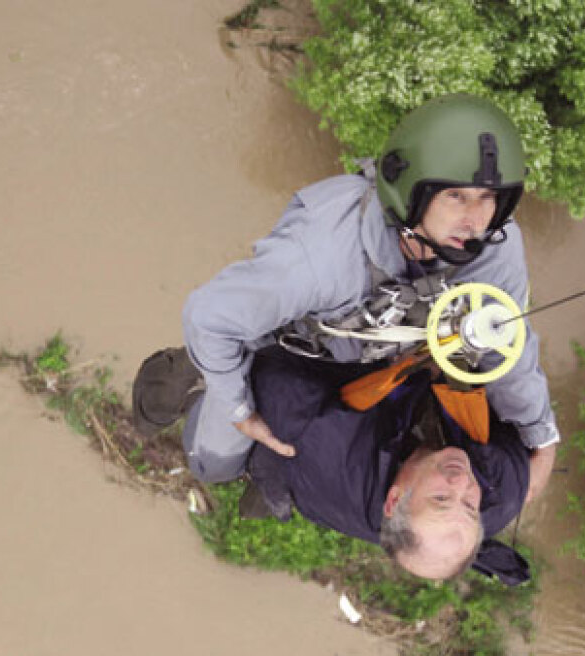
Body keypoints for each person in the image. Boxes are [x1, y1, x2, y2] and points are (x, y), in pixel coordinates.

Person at [135, 94, 559, 582]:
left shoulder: (492, 251)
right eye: (456, 197)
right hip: (288, 356)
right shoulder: (324, 250)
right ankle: (200, 381)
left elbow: (509, 343)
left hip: (378, 361)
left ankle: (264, 459)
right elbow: (209, 315)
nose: (476, 219)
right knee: (215, 461)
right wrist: (238, 407)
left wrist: (540, 431)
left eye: (489, 199)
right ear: (412, 191)